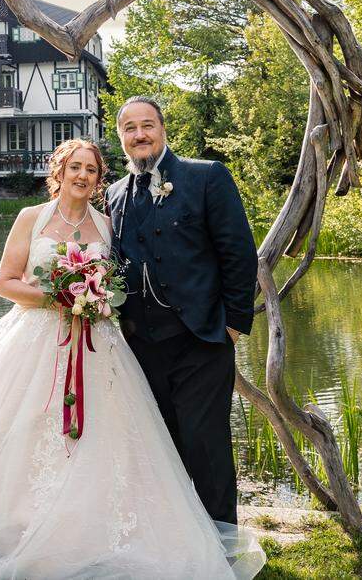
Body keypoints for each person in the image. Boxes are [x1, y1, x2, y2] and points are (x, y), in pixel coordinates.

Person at [0, 138, 265, 579]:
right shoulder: (30, 218)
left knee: (103, 436)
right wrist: (58, 295)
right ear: (59, 172)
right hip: (34, 341)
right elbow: (5, 283)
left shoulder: (106, 225)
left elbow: (125, 277)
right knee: (22, 430)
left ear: (100, 180)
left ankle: (89, 527)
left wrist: (95, 297)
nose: (82, 175)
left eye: (92, 170)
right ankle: (5, 522)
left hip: (97, 344)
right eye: (75, 167)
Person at [106, 96, 259, 526]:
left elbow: (239, 254)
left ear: (163, 128)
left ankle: (223, 542)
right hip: (141, 346)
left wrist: (233, 325)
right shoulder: (115, 195)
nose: (140, 135)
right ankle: (175, 543)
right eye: (130, 128)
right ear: (121, 137)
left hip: (201, 340)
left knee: (205, 445)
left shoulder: (206, 177)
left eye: (147, 125)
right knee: (159, 449)